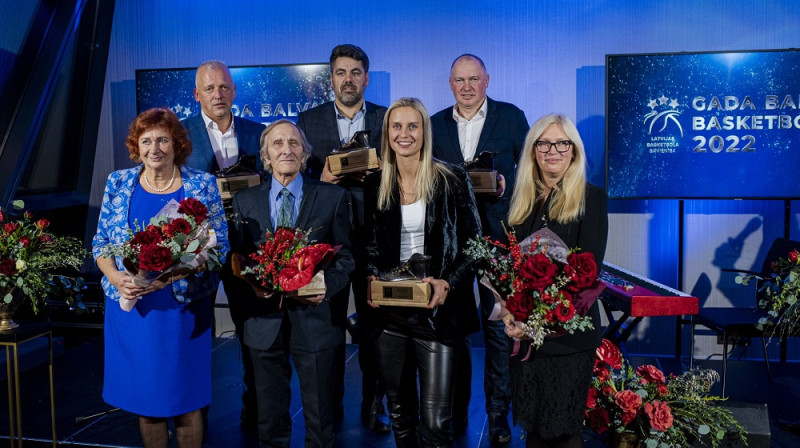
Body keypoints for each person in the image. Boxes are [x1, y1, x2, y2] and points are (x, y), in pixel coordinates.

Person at [92, 108, 229, 448]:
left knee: (186, 403)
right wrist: (116, 276)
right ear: (136, 146)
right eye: (147, 140)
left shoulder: (202, 183)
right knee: (148, 405)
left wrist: (166, 279)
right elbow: (101, 243)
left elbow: (219, 247)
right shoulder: (118, 182)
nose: (155, 148)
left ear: (177, 144)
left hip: (181, 310)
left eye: (163, 140)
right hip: (134, 310)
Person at [228, 119, 355, 448]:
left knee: (320, 423)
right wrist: (252, 288)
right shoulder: (244, 202)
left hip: (315, 324)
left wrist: (325, 285)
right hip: (263, 325)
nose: (286, 149)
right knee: (269, 425)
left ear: (304, 155)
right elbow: (236, 263)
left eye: (294, 144)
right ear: (266, 157)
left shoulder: (333, 198)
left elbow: (347, 258)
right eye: (277, 144)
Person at [364, 97, 482, 448]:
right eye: (396, 126)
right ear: (387, 133)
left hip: (438, 315)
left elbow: (476, 246)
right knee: (401, 415)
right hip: (391, 317)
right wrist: (371, 278)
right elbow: (369, 247)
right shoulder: (375, 183)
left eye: (412, 126)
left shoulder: (452, 178)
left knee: (436, 422)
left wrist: (448, 282)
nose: (404, 134)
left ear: (424, 131)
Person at [431, 53, 528, 443]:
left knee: (499, 334)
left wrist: (507, 186)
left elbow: (531, 173)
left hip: (499, 240)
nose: (467, 87)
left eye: (474, 79)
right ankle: (456, 415)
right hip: (451, 244)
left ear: (487, 80)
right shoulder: (435, 124)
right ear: (450, 84)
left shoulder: (511, 117)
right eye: (459, 80)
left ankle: (498, 415)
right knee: (453, 332)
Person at [296, 44, 390, 432]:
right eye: (340, 72)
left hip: (375, 237)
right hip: (328, 239)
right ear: (330, 78)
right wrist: (321, 180)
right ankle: (328, 410)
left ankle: (374, 406)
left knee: (375, 326)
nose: (348, 79)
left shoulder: (388, 119)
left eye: (355, 72)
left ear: (366, 78)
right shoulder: (309, 119)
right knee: (328, 327)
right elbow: (296, 179)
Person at [503, 114, 608, 448]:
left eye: (562, 143)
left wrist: (535, 322)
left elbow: (586, 275)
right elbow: (509, 270)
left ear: (574, 151)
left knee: (563, 432)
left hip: (568, 338)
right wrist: (508, 311)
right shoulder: (521, 202)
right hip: (527, 341)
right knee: (533, 429)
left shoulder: (591, 198)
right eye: (544, 143)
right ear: (533, 150)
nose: (553, 150)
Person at [183, 59, 265, 428]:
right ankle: (192, 409)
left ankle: (255, 403)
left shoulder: (257, 132)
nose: (218, 94)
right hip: (197, 250)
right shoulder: (179, 136)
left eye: (224, 87)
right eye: (210, 88)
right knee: (194, 330)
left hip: (248, 245)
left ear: (234, 91)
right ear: (197, 94)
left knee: (251, 328)